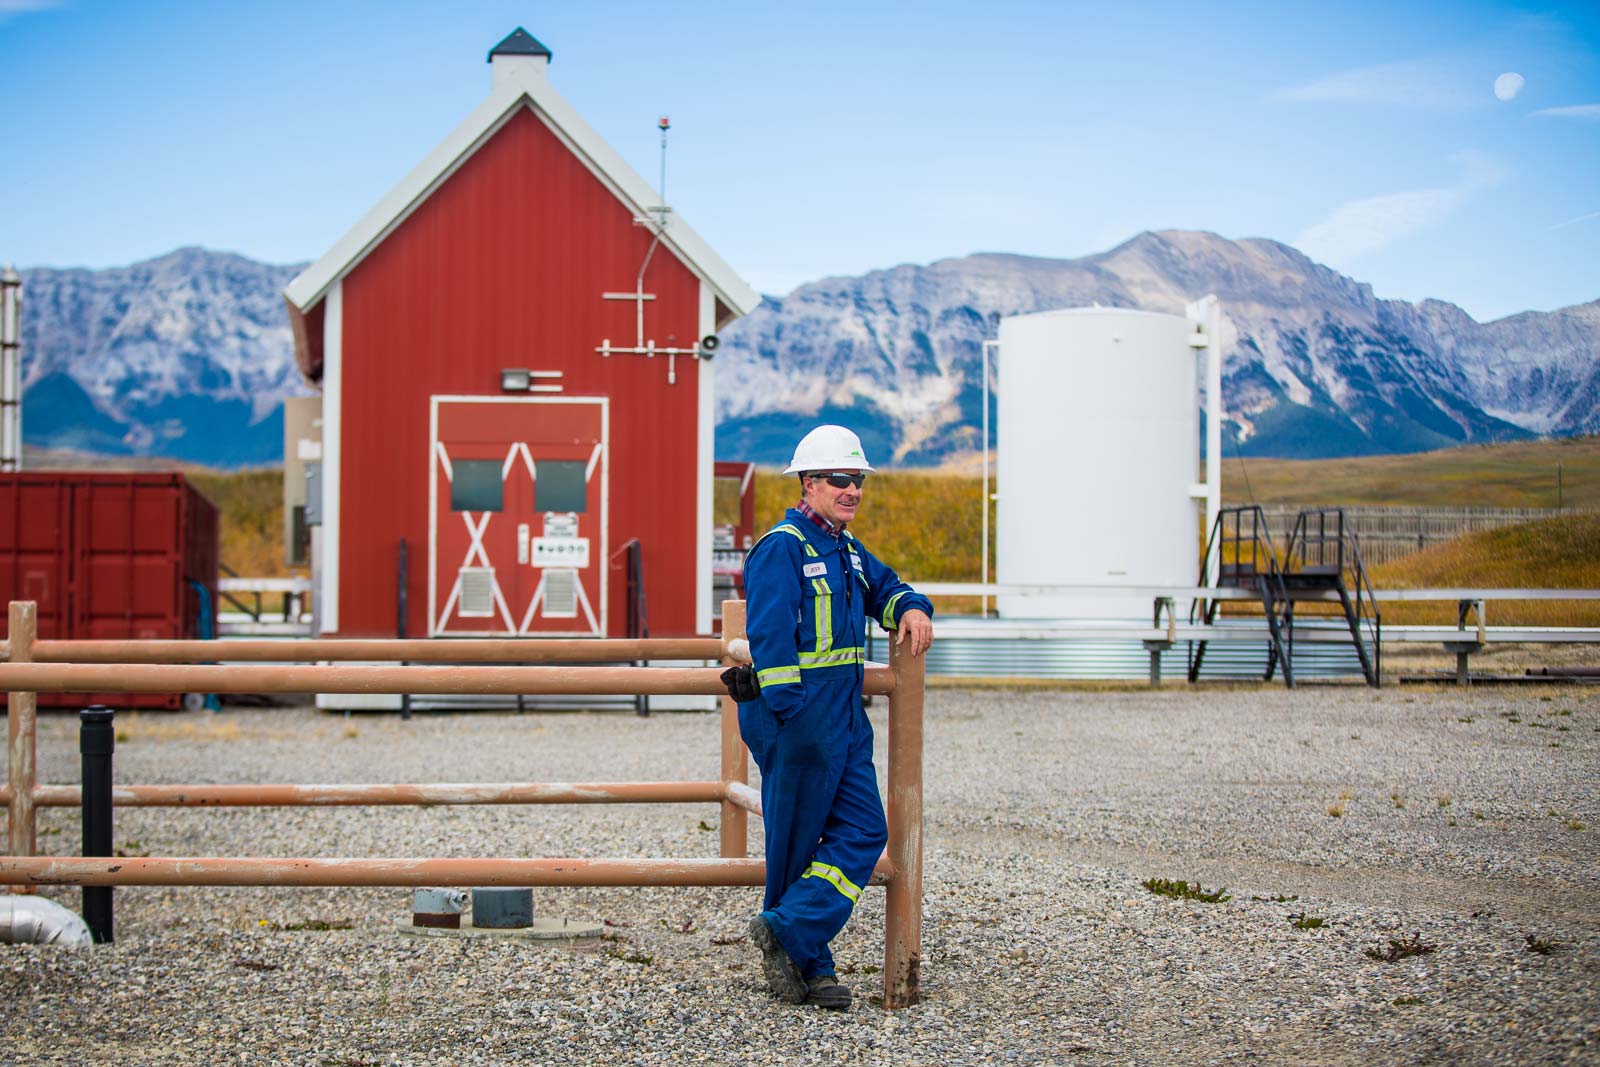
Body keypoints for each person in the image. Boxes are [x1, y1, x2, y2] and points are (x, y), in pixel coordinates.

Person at [731, 424, 933, 1010]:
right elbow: (768, 635)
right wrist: (792, 715)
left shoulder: (845, 549)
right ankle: (813, 970)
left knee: (867, 831)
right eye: (840, 480)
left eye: (859, 480)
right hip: (797, 720)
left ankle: (789, 928)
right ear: (809, 483)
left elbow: (887, 587)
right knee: (795, 846)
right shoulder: (782, 547)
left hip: (842, 719)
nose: (853, 490)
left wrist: (912, 609)